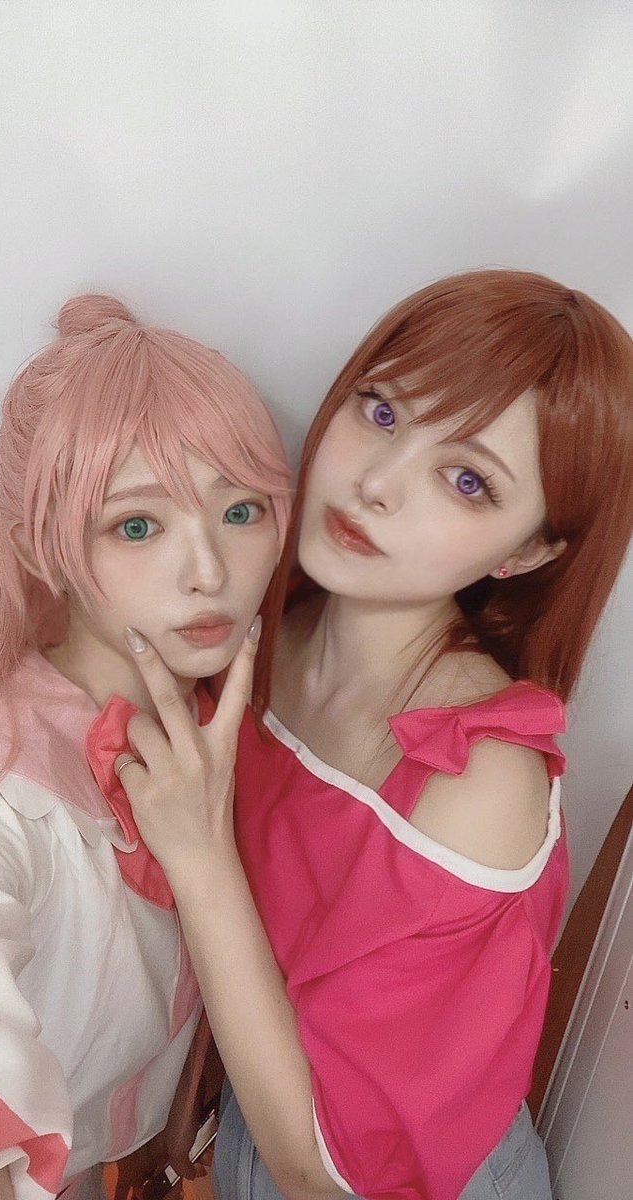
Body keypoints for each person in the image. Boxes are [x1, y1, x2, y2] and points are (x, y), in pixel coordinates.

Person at [111, 269, 633, 1200]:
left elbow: (331, 1173)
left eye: (467, 480)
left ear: (526, 551)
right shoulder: (257, 628)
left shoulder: (475, 777)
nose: (376, 485)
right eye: (382, 412)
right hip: (258, 1121)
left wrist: (197, 853)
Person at [0, 294, 291, 1200]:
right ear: (40, 549)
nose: (209, 572)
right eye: (136, 526)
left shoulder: (253, 732)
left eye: (242, 510)